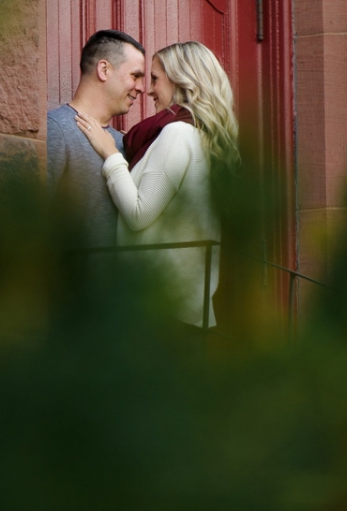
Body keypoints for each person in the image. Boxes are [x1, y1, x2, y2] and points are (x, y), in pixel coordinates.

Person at [75, 41, 240, 329]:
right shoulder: (204, 139)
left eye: (154, 79)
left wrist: (111, 154)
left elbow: (139, 214)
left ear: (180, 80)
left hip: (163, 315)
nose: (148, 90)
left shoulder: (178, 134)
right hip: (188, 313)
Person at [47, 30, 145, 250]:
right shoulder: (57, 129)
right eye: (135, 76)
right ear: (104, 70)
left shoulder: (122, 144)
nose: (141, 88)